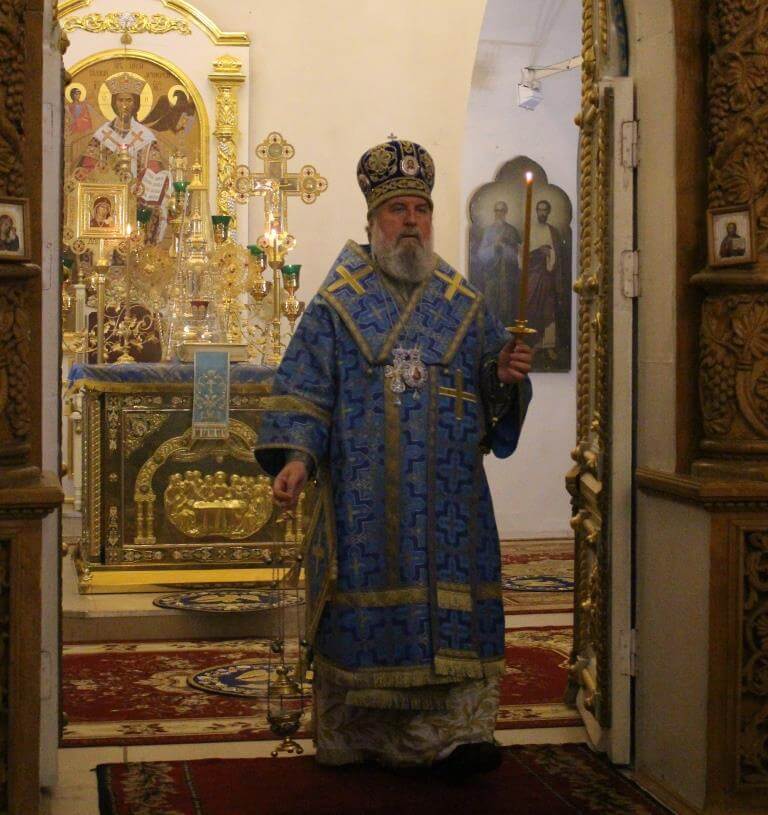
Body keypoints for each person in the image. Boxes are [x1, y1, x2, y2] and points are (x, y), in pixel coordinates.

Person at [254, 138, 533, 776]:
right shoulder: (338, 303)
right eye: (398, 209)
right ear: (373, 219)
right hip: (365, 501)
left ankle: (457, 737)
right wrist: (297, 457)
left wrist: (504, 377)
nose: (411, 220)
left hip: (450, 499)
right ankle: (364, 738)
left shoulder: (462, 302)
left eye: (420, 209)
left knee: (451, 608)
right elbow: (306, 390)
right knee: (364, 607)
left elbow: (493, 387)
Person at [92, 73, 155, 176]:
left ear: (136, 104)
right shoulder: (102, 134)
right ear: (114, 103)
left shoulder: (146, 136)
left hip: (138, 185)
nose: (124, 105)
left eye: (129, 100)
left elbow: (155, 170)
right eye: (120, 100)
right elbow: (87, 167)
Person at [473, 200, 521, 326]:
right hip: (492, 276)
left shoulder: (512, 231)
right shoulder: (488, 231)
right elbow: (481, 254)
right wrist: (494, 246)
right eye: (497, 211)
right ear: (494, 212)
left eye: (502, 211)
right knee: (491, 307)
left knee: (508, 309)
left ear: (506, 212)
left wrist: (504, 246)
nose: (499, 213)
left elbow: (517, 256)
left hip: (508, 278)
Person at [527, 199, 562, 356]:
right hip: (533, 276)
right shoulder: (530, 230)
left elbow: (558, 255)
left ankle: (548, 345)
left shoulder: (553, 231)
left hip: (548, 276)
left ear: (548, 212)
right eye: (540, 210)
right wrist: (538, 252)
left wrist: (550, 253)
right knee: (533, 307)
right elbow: (523, 255)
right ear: (536, 211)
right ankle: (534, 344)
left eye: (545, 210)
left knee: (548, 308)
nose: (542, 213)